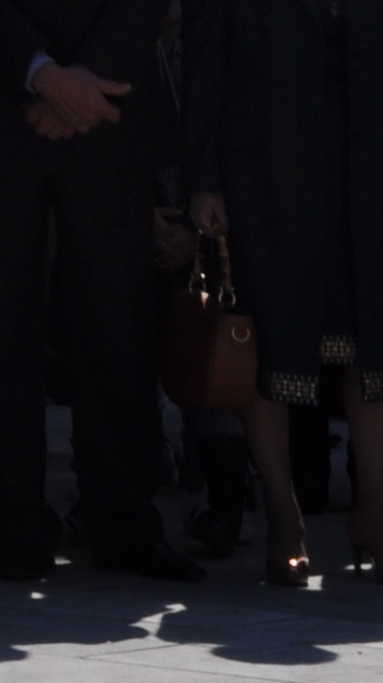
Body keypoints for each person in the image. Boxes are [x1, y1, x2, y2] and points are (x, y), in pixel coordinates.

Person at [6, 0, 201, 578]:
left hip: (112, 110)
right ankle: (12, 529)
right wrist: (40, 73)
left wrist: (82, 86)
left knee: (117, 322)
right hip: (9, 106)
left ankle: (121, 523)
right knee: (6, 327)